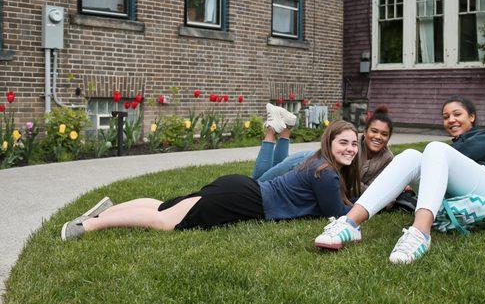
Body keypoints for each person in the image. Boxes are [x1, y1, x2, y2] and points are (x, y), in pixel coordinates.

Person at [61, 120, 361, 240]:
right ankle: (88, 226)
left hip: (242, 188)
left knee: (163, 206)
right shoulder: (326, 172)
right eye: (343, 142)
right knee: (166, 220)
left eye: (354, 144)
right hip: (244, 199)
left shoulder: (318, 162)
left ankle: (106, 212)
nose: (349, 149)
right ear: (329, 142)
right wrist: (373, 204)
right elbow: (337, 214)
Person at [314, 95, 485, 264]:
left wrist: (432, 159)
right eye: (446, 117)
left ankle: (420, 233)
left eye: (457, 114)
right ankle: (350, 223)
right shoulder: (446, 151)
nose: (451, 119)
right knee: (410, 155)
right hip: (456, 189)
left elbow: (459, 155)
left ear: (472, 116)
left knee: (434, 148)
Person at [253, 104, 394, 194]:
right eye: (374, 131)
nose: (378, 137)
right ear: (365, 131)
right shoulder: (353, 143)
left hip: (314, 171)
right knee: (257, 184)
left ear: (389, 137)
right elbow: (356, 184)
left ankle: (287, 128)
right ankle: (271, 130)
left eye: (384, 134)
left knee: (270, 182)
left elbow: (377, 188)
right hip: (306, 162)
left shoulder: (387, 159)